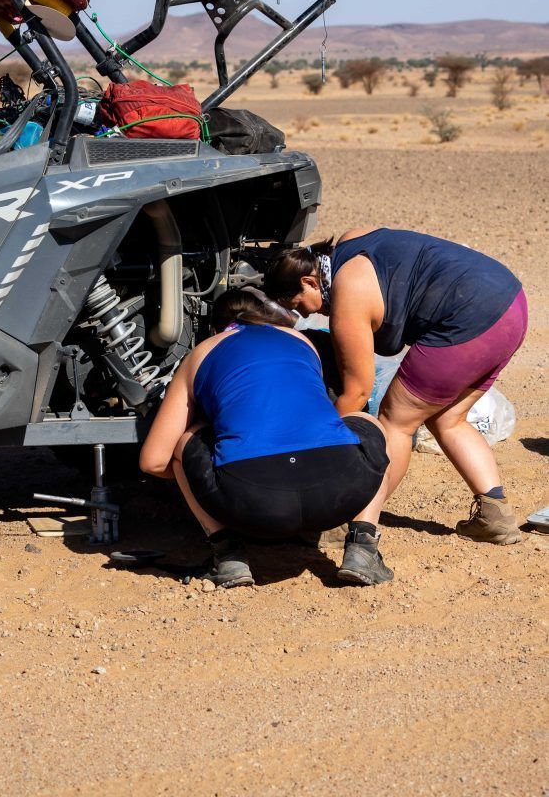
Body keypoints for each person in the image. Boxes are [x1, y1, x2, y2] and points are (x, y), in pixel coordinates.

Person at [263, 228, 528, 548]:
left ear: (309, 281)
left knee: (396, 422)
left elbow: (357, 392)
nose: (304, 313)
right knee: (447, 418)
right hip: (511, 305)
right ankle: (494, 515)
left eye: (298, 303)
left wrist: (316, 447)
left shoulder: (348, 294)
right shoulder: (350, 243)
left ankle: (353, 520)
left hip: (468, 318)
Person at [139, 289, 392, 587]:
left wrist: (209, 473)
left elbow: (153, 462)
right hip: (338, 493)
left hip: (254, 506)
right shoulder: (300, 340)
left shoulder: (202, 352)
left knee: (186, 440)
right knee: (365, 421)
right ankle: (362, 546)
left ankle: (228, 556)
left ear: (214, 328)